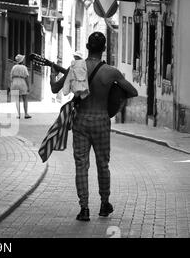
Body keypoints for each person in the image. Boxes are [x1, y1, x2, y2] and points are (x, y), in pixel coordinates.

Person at [50, 32, 138, 222]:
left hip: (81, 120)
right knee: (102, 165)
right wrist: (115, 97)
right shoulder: (111, 72)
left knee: (81, 165)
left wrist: (52, 74)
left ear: (88, 47)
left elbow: (55, 88)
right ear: (104, 49)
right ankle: (105, 204)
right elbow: (133, 91)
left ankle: (84, 209)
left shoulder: (76, 67)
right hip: (101, 120)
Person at [10, 54, 32, 119]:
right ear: (22, 61)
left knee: (17, 99)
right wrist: (28, 86)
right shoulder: (24, 67)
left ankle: (18, 114)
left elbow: (11, 77)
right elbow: (27, 78)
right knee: (25, 99)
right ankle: (26, 114)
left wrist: (11, 85)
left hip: (15, 82)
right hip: (22, 82)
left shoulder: (14, 67)